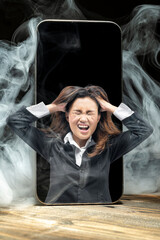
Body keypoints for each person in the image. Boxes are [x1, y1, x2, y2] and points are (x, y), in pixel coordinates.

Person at [7, 85, 153, 204]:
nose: (83, 118)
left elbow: (144, 130)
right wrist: (53, 106)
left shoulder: (109, 147)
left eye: (90, 113)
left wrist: (108, 106)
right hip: (56, 221)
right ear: (67, 116)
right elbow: (15, 121)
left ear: (98, 118)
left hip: (101, 221)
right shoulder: (50, 145)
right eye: (77, 112)